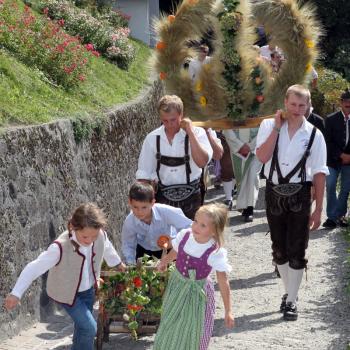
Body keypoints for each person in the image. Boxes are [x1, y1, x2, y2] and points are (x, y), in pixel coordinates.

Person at [4, 203, 125, 350]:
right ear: (74, 227)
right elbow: (34, 267)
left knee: (82, 329)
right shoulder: (60, 247)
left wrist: (118, 263)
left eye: (93, 236)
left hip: (88, 291)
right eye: (85, 236)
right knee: (89, 328)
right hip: (67, 294)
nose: (89, 240)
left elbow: (107, 248)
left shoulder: (100, 236)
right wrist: (16, 293)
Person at [256, 84, 328, 321]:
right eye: (294, 104)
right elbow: (262, 157)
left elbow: (319, 172)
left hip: (300, 194)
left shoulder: (315, 134)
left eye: (302, 105)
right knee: (279, 250)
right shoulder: (268, 126)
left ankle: (291, 300)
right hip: (274, 192)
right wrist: (276, 128)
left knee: (297, 250)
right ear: (285, 102)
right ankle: (289, 293)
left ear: (308, 106)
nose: (297, 110)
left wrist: (318, 210)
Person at [154, 203, 234, 349]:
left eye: (203, 225)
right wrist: (164, 261)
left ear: (214, 231)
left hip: (197, 293)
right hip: (177, 286)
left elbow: (223, 282)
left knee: (193, 328)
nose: (196, 226)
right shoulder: (185, 235)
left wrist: (228, 310)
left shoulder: (214, 252)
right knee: (169, 323)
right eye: (196, 221)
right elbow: (177, 251)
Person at [136, 95, 213, 219]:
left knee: (191, 236)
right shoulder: (152, 138)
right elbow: (143, 175)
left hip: (192, 198)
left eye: (173, 120)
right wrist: (143, 205)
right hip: (163, 199)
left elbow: (202, 162)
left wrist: (190, 132)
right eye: (165, 121)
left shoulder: (198, 133)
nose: (169, 125)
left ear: (181, 115)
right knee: (165, 238)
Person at [121, 181, 192, 264]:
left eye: (144, 207)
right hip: (144, 252)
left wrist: (175, 242)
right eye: (135, 207)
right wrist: (130, 265)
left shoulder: (165, 211)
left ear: (152, 203)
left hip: (169, 250)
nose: (139, 212)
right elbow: (128, 245)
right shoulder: (129, 222)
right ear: (129, 202)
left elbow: (189, 227)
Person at [322, 89, 350, 229]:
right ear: (340, 103)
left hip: (349, 161)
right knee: (331, 184)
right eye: (345, 101)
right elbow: (327, 142)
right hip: (332, 159)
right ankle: (332, 217)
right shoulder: (331, 119)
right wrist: (340, 155)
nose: (348, 104)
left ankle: (340, 216)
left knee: (345, 188)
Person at [223, 128, 262, 222]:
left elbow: (265, 125)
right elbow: (226, 126)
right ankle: (243, 206)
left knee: (253, 175)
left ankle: (250, 208)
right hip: (237, 146)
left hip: (256, 145)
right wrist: (239, 145)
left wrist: (251, 145)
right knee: (241, 177)